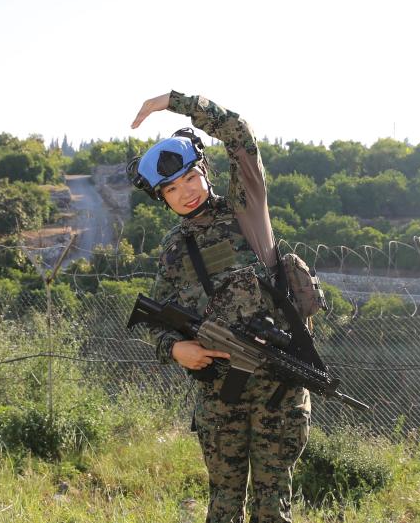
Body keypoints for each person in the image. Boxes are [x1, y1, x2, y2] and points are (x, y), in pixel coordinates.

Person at [129, 91, 311, 523]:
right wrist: (176, 350)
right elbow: (154, 320)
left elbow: (239, 134)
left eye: (189, 178)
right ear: (162, 198)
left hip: (277, 391)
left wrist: (174, 101)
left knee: (272, 510)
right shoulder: (174, 249)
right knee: (224, 508)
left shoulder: (246, 211)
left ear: (204, 170)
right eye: (171, 189)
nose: (185, 193)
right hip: (219, 398)